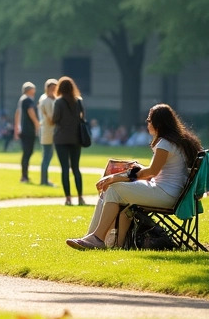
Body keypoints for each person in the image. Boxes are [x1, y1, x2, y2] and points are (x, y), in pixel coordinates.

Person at [67, 103, 200, 250]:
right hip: (169, 192)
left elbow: (152, 173)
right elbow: (157, 171)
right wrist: (133, 171)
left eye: (149, 120)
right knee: (112, 190)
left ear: (158, 123)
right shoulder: (175, 141)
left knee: (114, 188)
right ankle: (94, 238)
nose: (147, 123)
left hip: (166, 194)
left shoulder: (165, 143)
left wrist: (116, 177)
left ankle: (96, 238)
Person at [51, 76, 86, 206]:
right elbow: (83, 118)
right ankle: (81, 197)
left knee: (65, 168)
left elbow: (55, 119)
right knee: (76, 168)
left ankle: (68, 198)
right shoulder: (78, 101)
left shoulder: (59, 102)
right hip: (76, 138)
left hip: (61, 138)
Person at [13, 82, 39, 184]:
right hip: (28, 130)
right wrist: (37, 123)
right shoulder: (27, 100)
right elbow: (31, 111)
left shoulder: (21, 100)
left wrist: (17, 128)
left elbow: (17, 114)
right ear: (29, 90)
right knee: (27, 153)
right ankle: (24, 176)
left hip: (23, 130)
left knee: (27, 153)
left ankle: (24, 175)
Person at [37, 79, 58, 187]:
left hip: (49, 130)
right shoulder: (46, 100)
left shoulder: (48, 99)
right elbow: (50, 118)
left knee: (48, 155)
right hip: (47, 130)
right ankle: (44, 180)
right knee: (47, 156)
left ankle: (44, 179)